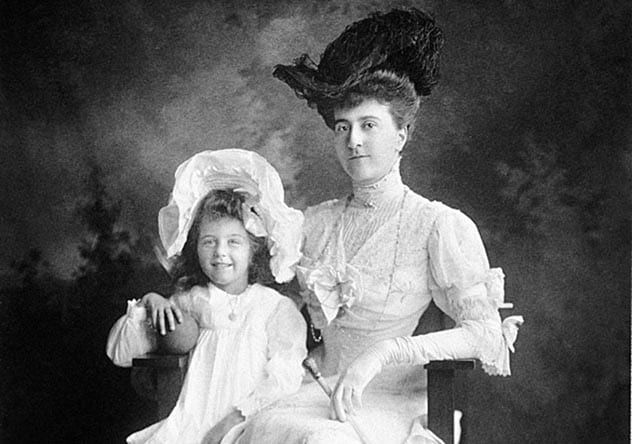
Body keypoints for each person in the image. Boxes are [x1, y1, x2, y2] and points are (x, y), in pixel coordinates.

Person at [236, 8, 523, 444]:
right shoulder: (315, 224)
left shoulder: (436, 225)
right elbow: (241, 290)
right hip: (310, 390)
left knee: (323, 441)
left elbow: (483, 334)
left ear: (401, 134)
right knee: (275, 429)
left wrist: (387, 352)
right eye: (343, 127)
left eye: (369, 125)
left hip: (388, 400)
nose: (353, 140)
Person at [106, 149, 307, 444]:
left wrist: (234, 420)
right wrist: (149, 304)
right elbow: (120, 355)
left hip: (251, 425)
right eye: (209, 242)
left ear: (253, 250)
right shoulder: (192, 301)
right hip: (193, 429)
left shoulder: (273, 307)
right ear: (195, 248)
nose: (220, 253)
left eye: (234, 242)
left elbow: (285, 378)